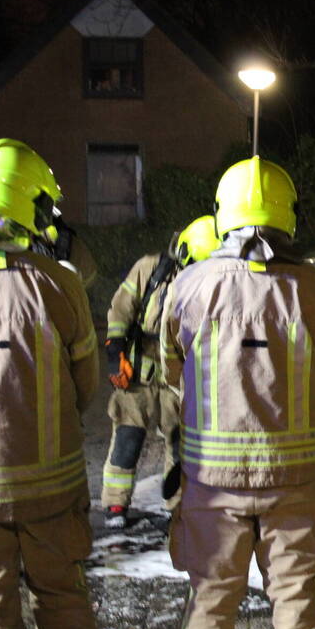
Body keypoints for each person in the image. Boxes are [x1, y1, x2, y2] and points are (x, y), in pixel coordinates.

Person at [161, 156, 315, 629]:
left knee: (210, 607)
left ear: (222, 213)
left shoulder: (188, 287)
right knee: (299, 606)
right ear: (290, 214)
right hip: (297, 479)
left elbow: (172, 372)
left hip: (211, 480)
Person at [0, 139, 105, 629]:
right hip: (52, 491)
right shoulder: (59, 283)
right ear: (30, 206)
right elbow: (86, 384)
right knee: (63, 605)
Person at [102, 215, 221, 528]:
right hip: (140, 367)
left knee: (180, 442)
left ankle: (179, 506)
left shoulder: (211, 283)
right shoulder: (150, 268)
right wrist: (115, 348)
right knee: (127, 437)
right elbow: (121, 307)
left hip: (179, 370)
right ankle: (115, 505)